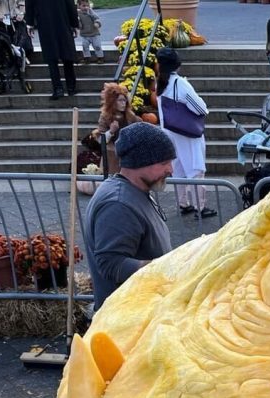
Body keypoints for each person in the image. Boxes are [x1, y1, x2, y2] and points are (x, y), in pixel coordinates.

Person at [84, 122, 174, 310]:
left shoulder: (135, 190)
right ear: (140, 162)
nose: (171, 170)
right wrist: (166, 268)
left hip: (144, 309)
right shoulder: (118, 204)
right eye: (164, 163)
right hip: (128, 316)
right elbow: (111, 264)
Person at [155, 47, 216, 218]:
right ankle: (200, 206)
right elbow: (200, 108)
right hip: (187, 132)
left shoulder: (160, 83)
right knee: (196, 167)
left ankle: (183, 203)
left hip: (169, 130)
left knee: (178, 167)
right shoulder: (180, 83)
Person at [25, 0, 78, 101]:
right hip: (62, 19)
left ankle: (58, 88)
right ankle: (71, 87)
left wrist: (30, 23)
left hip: (45, 21)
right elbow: (70, 4)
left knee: (51, 56)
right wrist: (74, 23)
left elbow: (30, 4)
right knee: (66, 54)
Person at [95, 82, 141, 174]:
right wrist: (111, 131)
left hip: (128, 154)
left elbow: (140, 128)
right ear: (113, 102)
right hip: (112, 155)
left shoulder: (130, 116)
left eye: (124, 101)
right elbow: (101, 140)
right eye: (120, 101)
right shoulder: (105, 117)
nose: (123, 103)